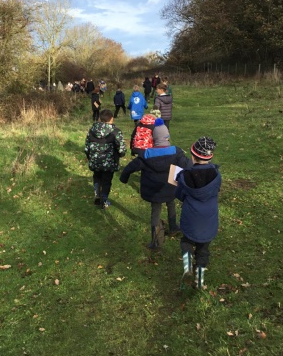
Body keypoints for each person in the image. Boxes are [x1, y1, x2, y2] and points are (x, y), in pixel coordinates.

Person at [120, 119, 192, 250]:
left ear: (153, 138)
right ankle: (173, 227)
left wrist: (124, 177)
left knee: (155, 212)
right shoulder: (176, 152)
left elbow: (130, 167)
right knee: (171, 204)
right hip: (170, 187)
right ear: (167, 137)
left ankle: (155, 241)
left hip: (154, 190)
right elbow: (187, 165)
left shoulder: (146, 155)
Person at [175, 136, 222, 289]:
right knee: (203, 250)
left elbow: (179, 195)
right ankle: (199, 281)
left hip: (191, 216)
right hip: (208, 219)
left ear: (193, 156)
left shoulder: (184, 176)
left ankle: (187, 265)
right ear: (210, 157)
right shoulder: (217, 175)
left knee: (186, 241)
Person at [84, 109, 127, 209]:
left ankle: (97, 194)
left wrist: (90, 157)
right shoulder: (116, 132)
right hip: (109, 162)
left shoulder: (91, 130)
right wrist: (120, 155)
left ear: (100, 118)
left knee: (97, 176)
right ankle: (104, 200)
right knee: (107, 181)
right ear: (112, 119)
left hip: (94, 160)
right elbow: (122, 149)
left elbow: (86, 148)